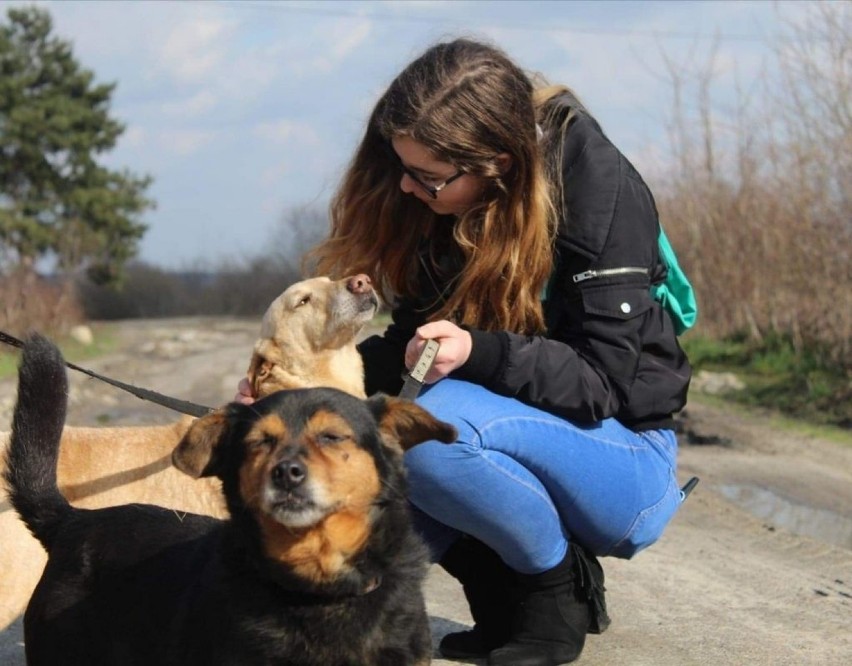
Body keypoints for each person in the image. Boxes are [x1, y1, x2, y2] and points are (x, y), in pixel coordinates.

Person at [240, 37, 692, 666]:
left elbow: (606, 382)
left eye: (427, 177)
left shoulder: (597, 187)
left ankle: (556, 595)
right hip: (520, 426)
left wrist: (479, 351)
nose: (404, 186)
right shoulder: (448, 202)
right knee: (354, 475)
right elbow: (413, 346)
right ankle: (502, 597)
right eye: (401, 167)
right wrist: (294, 391)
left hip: (626, 457)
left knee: (429, 432)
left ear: (498, 162)